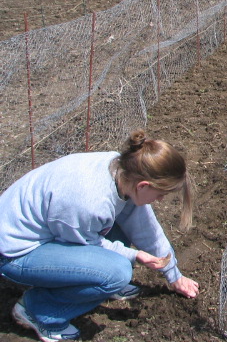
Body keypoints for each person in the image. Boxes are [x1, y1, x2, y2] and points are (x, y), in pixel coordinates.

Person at [0, 130, 199, 342]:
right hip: (15, 253)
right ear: (144, 185)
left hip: (56, 233)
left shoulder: (123, 172)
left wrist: (174, 274)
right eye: (160, 194)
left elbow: (145, 228)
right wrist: (133, 255)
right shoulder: (89, 202)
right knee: (116, 273)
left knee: (123, 228)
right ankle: (38, 311)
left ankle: (100, 280)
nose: (160, 200)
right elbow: (83, 244)